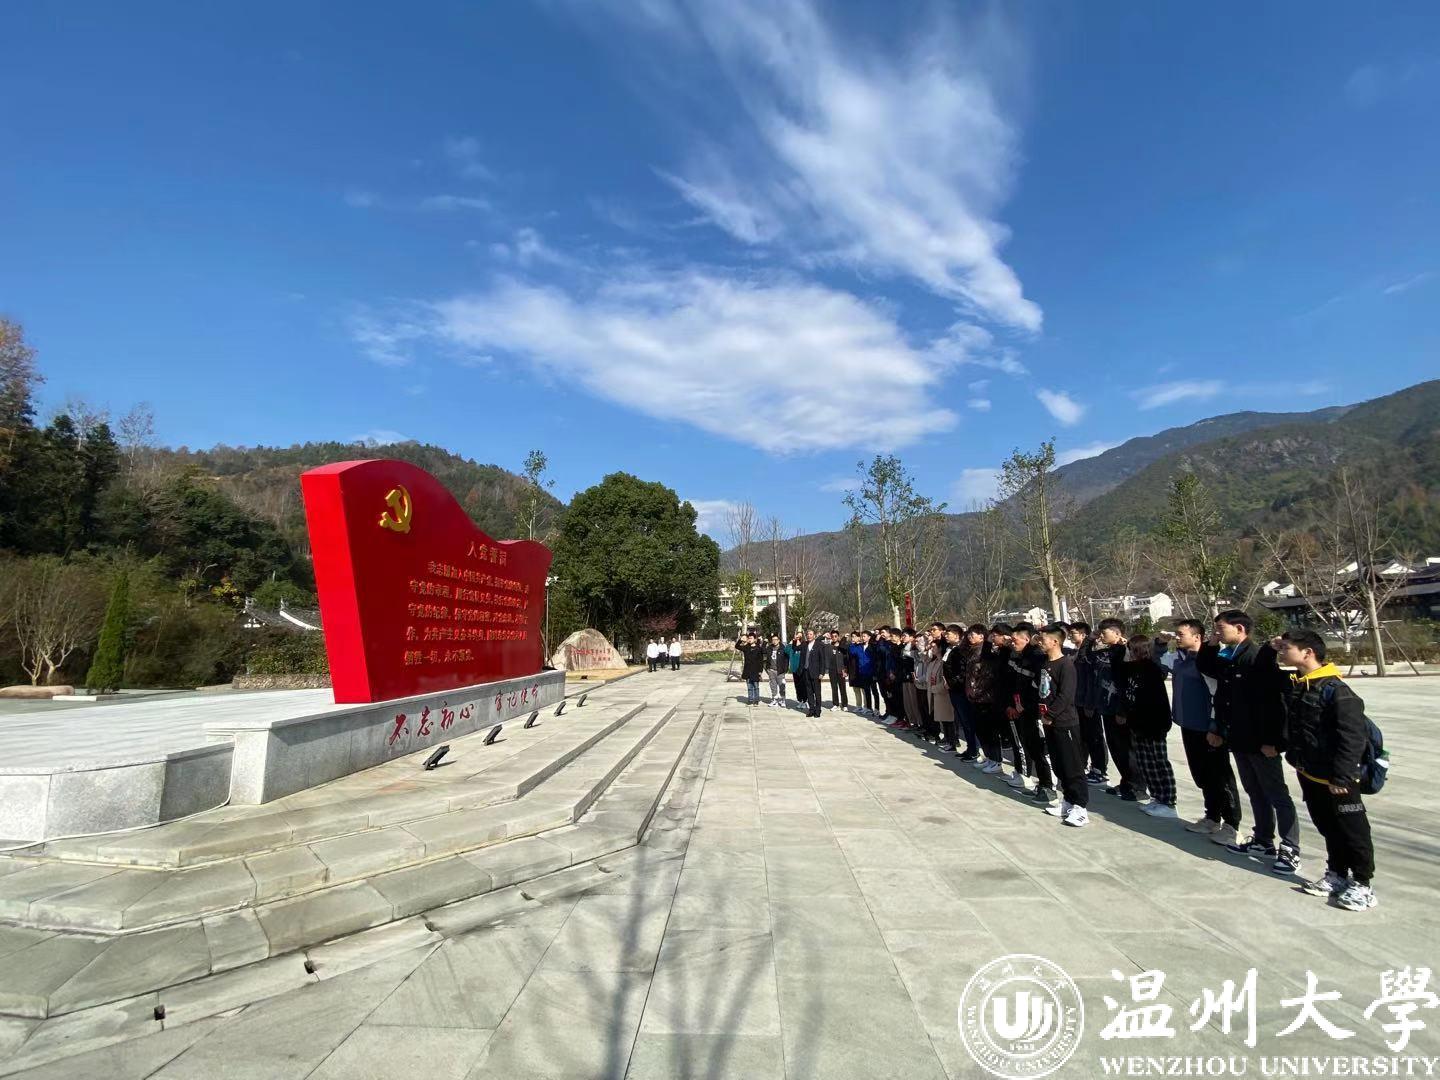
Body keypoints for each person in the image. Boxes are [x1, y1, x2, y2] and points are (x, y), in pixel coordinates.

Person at [1277, 630, 1377, 912]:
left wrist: (1342, 776)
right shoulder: (1301, 684)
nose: (1282, 652)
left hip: (1338, 778)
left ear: (1307, 652)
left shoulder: (1337, 690)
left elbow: (1352, 737)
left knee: (1353, 830)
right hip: (1311, 772)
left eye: (1287, 648)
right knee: (1328, 827)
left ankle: (1363, 883)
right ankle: (1337, 873)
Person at [1199, 611, 1301, 874]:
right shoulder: (1231, 656)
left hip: (1261, 740)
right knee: (1255, 790)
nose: (1217, 632)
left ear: (1240, 628)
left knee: (1276, 793)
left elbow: (1274, 704)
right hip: (1239, 737)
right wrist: (1211, 644)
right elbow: (1209, 670)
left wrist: (1274, 741)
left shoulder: (1255, 656)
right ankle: (1263, 840)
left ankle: (1290, 847)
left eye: (1221, 628)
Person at [1160, 620, 1242, 844]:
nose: (1177, 638)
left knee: (1220, 776)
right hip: (1188, 725)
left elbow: (1218, 696)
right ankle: (1212, 817)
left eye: (1181, 634)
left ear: (1197, 637)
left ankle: (1231, 825)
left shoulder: (1209, 661)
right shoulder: (1181, 659)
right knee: (1202, 775)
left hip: (1208, 728)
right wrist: (1160, 644)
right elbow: (1158, 662)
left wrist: (1215, 726)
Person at [1115, 635, 1179, 820]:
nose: (1128, 653)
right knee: (1146, 763)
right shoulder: (1130, 668)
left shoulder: (1151, 668)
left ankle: (1169, 801)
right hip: (1137, 723)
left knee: (1159, 763)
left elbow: (1156, 700)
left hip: (1154, 723)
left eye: (1130, 649)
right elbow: (1118, 670)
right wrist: (1120, 649)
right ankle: (1157, 797)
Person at [1037, 624, 1089, 825]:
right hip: (1048, 722)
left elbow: (1066, 695)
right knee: (1059, 764)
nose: (1040, 642)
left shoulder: (1065, 665)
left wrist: (1051, 714)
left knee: (1072, 765)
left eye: (1043, 639)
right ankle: (1068, 800)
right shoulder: (1045, 663)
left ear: (1055, 641)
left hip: (1064, 722)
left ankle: (1080, 807)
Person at [1006, 622, 1057, 803]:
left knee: (1041, 751)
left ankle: (1049, 788)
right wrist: (1016, 704)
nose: (1012, 643)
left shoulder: (1037, 659)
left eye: (1015, 640)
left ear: (1027, 639)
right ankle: (1042, 785)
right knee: (1032, 748)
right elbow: (1017, 684)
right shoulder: (1020, 657)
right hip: (1023, 710)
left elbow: (1040, 690)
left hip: (1035, 711)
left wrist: (1027, 706)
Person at [1093, 619, 1141, 800]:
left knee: (1128, 749)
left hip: (1120, 709)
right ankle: (1126, 781)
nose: (1101, 636)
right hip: (1106, 706)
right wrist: (1091, 639)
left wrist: (1122, 710)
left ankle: (1137, 786)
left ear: (1117, 634)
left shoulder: (1126, 652)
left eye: (1104, 633)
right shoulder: (1107, 651)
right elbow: (1086, 657)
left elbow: (1126, 684)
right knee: (1116, 748)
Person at [1070, 622, 1110, 786]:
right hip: (1078, 701)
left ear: (1083, 634)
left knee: (1095, 736)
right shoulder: (1075, 652)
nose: (1070, 635)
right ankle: (1084, 765)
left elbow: (1091, 681)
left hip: (1089, 702)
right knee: (1083, 737)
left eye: (1073, 633)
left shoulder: (1091, 654)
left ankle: (1099, 769)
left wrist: (1090, 703)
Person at [966, 626, 1005, 771]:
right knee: (981, 730)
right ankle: (989, 757)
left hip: (986, 697)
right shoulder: (974, 650)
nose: (969, 637)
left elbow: (986, 676)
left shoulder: (986, 652)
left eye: (973, 634)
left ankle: (996, 760)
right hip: (975, 696)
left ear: (982, 636)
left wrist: (977, 692)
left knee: (990, 731)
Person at [927, 624, 957, 752]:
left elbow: (945, 677)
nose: (932, 649)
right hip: (936, 692)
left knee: (949, 719)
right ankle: (948, 739)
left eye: (934, 647)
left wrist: (936, 688)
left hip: (943, 692)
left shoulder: (944, 661)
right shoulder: (934, 661)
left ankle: (953, 741)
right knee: (943, 719)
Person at [851, 630, 879, 716]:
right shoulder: (859, 647)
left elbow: (876, 660)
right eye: (862, 636)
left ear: (869, 637)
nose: (863, 638)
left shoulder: (873, 647)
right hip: (863, 672)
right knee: (867, 691)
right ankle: (869, 708)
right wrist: (853, 643)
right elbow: (852, 652)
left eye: (864, 636)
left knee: (874, 691)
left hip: (872, 672)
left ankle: (877, 708)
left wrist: (875, 672)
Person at [735, 631, 766, 706]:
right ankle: (750, 700)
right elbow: (737, 646)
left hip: (755, 670)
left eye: (751, 638)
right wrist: (741, 640)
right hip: (747, 670)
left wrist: (760, 671)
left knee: (756, 687)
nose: (749, 639)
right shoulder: (746, 647)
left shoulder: (758, 648)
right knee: (749, 687)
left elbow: (760, 661)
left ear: (755, 639)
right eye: (749, 638)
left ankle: (756, 700)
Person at [803, 628, 828, 718]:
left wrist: (822, 673)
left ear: (814, 635)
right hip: (806, 671)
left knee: (817, 693)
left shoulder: (819, 645)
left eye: (810, 634)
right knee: (809, 692)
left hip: (816, 672)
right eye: (808, 634)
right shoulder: (805, 644)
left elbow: (822, 660)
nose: (809, 636)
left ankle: (818, 710)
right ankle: (811, 710)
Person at [827, 630, 850, 710]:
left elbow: (846, 659)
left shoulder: (842, 646)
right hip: (832, 670)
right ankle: (835, 704)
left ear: (838, 637)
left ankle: (844, 705)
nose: (834, 638)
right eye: (832, 636)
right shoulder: (829, 646)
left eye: (835, 636)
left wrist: (845, 670)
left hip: (841, 670)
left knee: (842, 688)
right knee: (834, 688)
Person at [764, 633, 788, 708]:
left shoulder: (783, 648)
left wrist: (785, 669)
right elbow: (763, 651)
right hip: (771, 670)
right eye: (773, 640)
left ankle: (783, 700)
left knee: (782, 686)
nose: (774, 641)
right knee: (773, 686)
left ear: (779, 640)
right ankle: (774, 700)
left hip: (780, 671)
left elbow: (786, 660)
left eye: (776, 639)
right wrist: (764, 642)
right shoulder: (769, 648)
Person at [788, 631, 808, 708]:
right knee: (797, 686)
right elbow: (787, 650)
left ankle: (805, 701)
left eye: (800, 637)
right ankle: (800, 701)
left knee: (804, 686)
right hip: (794, 670)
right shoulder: (793, 646)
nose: (798, 638)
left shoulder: (804, 645)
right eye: (797, 637)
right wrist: (792, 641)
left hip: (802, 669)